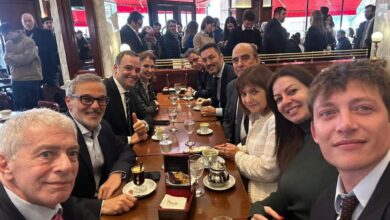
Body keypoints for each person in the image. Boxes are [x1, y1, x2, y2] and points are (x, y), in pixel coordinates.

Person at [249, 66, 338, 220]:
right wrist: (258, 209)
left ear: (313, 89)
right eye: (278, 99)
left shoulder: (339, 140)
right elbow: (287, 194)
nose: (286, 101)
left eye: (292, 91)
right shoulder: (294, 139)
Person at [309, 60, 390, 220]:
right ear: (314, 133)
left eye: (363, 108)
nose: (345, 125)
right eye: (327, 112)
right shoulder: (323, 203)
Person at [0, 108, 97, 219]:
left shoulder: (49, 193)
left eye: (72, 153)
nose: (67, 166)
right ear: (5, 166)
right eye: (46, 154)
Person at [65, 73, 138, 216]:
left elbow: (126, 151)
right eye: (86, 99)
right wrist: (100, 206)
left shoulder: (103, 126)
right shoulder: (57, 137)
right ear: (68, 101)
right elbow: (49, 200)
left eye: (101, 100)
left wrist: (116, 174)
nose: (95, 106)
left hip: (112, 201)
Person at [215, 64, 278, 203]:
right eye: (243, 94)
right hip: (248, 185)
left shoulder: (275, 120)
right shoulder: (256, 115)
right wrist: (232, 149)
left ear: (269, 90)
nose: (248, 99)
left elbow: (267, 171)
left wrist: (236, 154)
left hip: (265, 199)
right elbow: (252, 148)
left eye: (254, 91)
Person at [103, 51, 152, 145]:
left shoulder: (130, 90)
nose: (134, 74)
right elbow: (99, 135)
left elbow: (147, 115)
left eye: (137, 70)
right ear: (115, 68)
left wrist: (144, 125)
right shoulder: (103, 91)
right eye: (128, 68)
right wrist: (129, 139)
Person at [223, 43, 260, 145]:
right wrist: (227, 140)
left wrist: (237, 150)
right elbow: (227, 119)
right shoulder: (231, 86)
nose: (239, 64)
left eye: (245, 58)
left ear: (257, 60)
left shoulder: (268, 88)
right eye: (235, 60)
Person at [0, 23, 42, 110]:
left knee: (33, 108)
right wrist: (18, 59)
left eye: (5, 35)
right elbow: (6, 60)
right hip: (16, 79)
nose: (5, 38)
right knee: (18, 108)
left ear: (9, 32)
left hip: (31, 78)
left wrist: (11, 55)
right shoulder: (8, 43)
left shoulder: (29, 41)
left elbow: (26, 59)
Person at [199, 43, 236, 118]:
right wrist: (208, 100)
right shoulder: (214, 74)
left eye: (211, 57)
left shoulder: (233, 76)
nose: (208, 63)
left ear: (221, 57)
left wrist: (215, 111)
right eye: (204, 60)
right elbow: (218, 98)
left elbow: (236, 111)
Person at [21, 13, 59, 86]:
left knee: (53, 93)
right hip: (30, 71)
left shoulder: (45, 33)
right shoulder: (21, 36)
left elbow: (54, 49)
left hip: (47, 68)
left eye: (29, 20)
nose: (27, 23)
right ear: (22, 22)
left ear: (33, 21)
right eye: (25, 21)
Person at [132, 50, 159, 116]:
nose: (150, 70)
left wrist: (153, 104)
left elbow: (154, 99)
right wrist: (155, 105)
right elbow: (144, 112)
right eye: (146, 66)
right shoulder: (133, 85)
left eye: (152, 67)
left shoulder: (148, 81)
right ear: (138, 67)